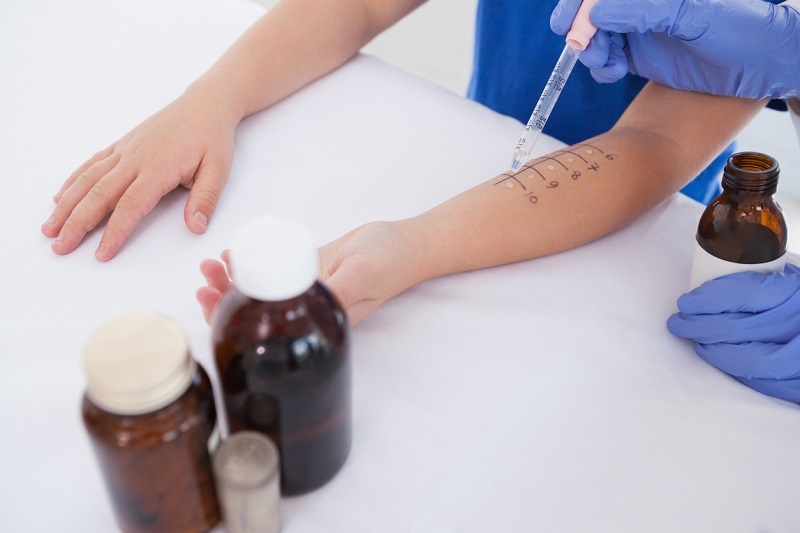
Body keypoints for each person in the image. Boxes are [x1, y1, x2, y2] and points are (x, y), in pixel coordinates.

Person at [42, 1, 798, 400]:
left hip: (614, 255)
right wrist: (213, 98)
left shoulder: (743, 21)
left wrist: (412, 246)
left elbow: (653, 150)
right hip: (478, 149)